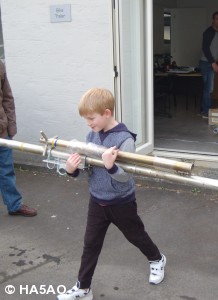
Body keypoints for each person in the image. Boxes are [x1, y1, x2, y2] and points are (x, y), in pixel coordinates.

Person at [57, 88, 166, 300]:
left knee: (136, 236)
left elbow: (127, 177)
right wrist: (72, 170)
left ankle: (157, 259)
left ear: (107, 113)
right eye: (86, 119)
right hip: (97, 201)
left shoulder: (125, 139)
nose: (88, 123)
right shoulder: (91, 135)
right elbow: (87, 171)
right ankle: (83, 288)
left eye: (91, 118)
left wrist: (110, 166)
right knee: (90, 244)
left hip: (121, 202)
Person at [0, 60, 37, 217]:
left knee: (6, 170)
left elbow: (8, 98)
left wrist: (11, 127)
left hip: (2, 132)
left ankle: (14, 205)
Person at [199, 11, 218, 118]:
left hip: (211, 64)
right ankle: (206, 111)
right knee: (208, 89)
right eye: (217, 19)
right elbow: (205, 48)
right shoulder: (209, 32)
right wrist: (213, 63)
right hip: (206, 64)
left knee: (209, 89)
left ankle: (205, 109)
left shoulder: (216, 32)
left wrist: (216, 64)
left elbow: (213, 51)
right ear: (213, 20)